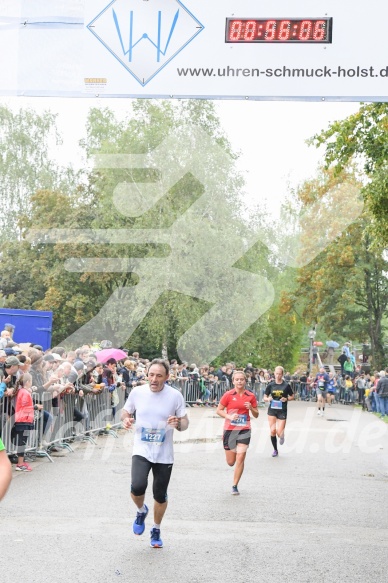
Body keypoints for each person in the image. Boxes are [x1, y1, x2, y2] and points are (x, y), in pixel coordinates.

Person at [121, 359, 189, 549]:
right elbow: (125, 412)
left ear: (167, 377)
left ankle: (156, 529)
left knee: (160, 495)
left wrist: (178, 423)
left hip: (164, 454)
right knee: (137, 487)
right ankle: (141, 511)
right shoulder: (137, 392)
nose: (154, 379)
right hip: (141, 449)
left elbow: (185, 423)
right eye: (151, 375)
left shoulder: (175, 396)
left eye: (159, 376)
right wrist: (126, 420)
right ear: (147, 375)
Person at [216, 370, 258, 495]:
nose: (239, 381)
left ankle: (234, 485)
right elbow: (219, 410)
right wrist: (229, 417)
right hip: (230, 429)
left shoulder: (250, 396)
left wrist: (251, 408)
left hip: (244, 429)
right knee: (231, 462)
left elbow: (256, 414)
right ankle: (234, 479)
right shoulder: (228, 395)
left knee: (240, 457)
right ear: (233, 381)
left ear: (245, 381)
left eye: (242, 379)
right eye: (237, 379)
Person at [12, 373, 43, 471]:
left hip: (24, 420)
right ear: (28, 382)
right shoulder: (24, 392)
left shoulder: (22, 391)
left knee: (23, 441)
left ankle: (21, 462)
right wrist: (35, 407)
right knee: (22, 441)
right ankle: (20, 464)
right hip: (23, 420)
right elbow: (24, 407)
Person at [264, 366, 294, 457]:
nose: (277, 376)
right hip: (272, 410)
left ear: (282, 374)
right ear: (274, 373)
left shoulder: (286, 385)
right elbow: (264, 397)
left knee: (279, 432)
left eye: (279, 374)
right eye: (276, 374)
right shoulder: (270, 385)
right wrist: (268, 398)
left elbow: (292, 396)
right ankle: (275, 450)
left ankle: (282, 434)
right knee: (272, 431)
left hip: (282, 410)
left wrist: (287, 398)